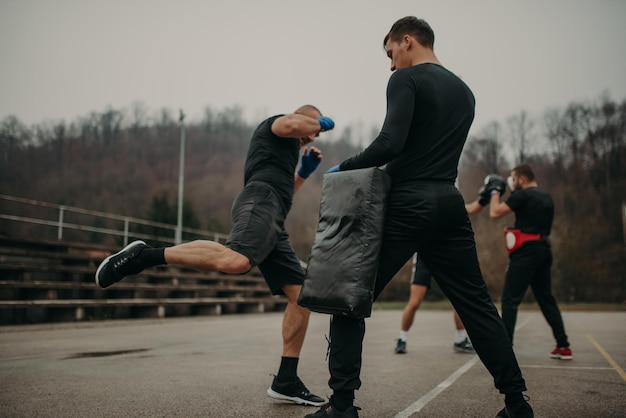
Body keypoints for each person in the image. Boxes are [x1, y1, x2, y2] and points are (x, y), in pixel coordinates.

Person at [306, 17, 532, 418]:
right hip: (448, 201)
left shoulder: (404, 81)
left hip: (408, 203)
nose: (390, 65)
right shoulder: (465, 92)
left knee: (348, 299)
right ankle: (516, 403)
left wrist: (347, 167)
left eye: (391, 54)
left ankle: (341, 406)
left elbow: (390, 143)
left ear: (406, 41)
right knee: (477, 305)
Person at [95, 104, 335, 407]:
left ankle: (286, 380)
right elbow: (289, 125)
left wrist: (302, 172)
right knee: (236, 260)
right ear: (301, 119)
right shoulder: (275, 126)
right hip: (259, 201)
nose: (309, 138)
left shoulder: (287, 152)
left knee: (300, 295)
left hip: (274, 217)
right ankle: (143, 256)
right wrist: (320, 122)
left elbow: (286, 192)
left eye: (311, 136)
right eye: (309, 131)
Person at [482, 165, 572, 360]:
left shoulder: (523, 195)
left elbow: (495, 212)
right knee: (546, 299)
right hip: (544, 251)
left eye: (513, 178)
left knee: (509, 299)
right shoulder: (547, 197)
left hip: (526, 253)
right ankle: (563, 345)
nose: (512, 182)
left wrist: (495, 191)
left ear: (522, 178)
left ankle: (505, 348)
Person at [395, 254, 475, 354]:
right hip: (424, 255)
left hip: (446, 254)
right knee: (415, 302)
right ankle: (402, 339)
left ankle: (460, 339)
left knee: (459, 299)